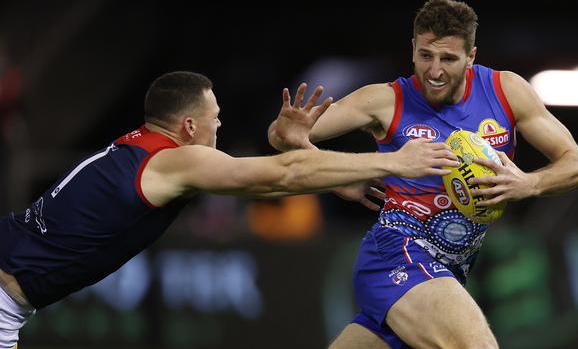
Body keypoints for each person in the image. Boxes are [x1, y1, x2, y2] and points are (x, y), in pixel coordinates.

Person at [0, 71, 462, 348]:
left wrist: (330, 171)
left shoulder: (142, 150)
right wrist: (394, 161)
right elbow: (282, 175)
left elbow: (268, 186)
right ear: (188, 125)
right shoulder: (175, 160)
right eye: (214, 117)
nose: (219, 124)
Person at [268, 0, 578, 349]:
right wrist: (332, 172)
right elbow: (285, 137)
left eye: (448, 59)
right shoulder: (384, 101)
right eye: (426, 55)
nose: (434, 71)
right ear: (412, 49)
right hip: (396, 253)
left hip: (449, 269)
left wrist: (528, 183)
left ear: (471, 56)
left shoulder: (505, 91)